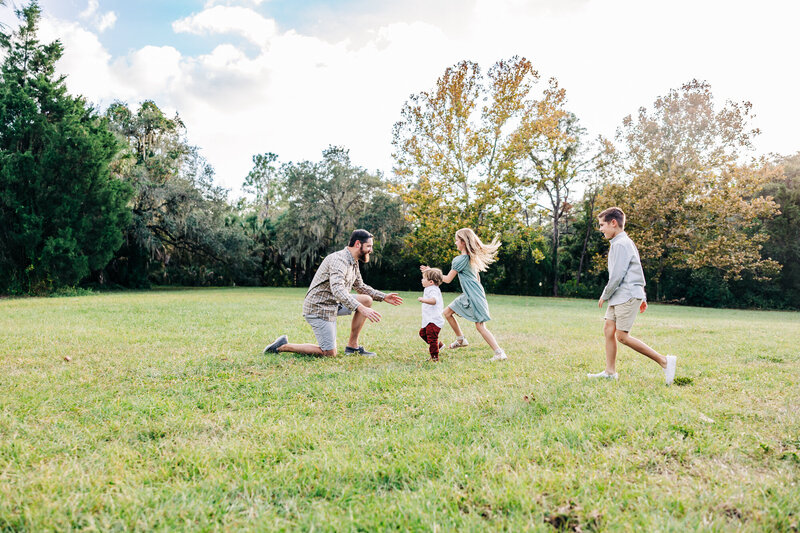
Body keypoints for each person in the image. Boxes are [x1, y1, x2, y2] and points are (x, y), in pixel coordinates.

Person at [263, 229, 403, 357]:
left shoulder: (353, 262)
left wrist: (383, 297)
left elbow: (360, 286)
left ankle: (352, 347)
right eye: (369, 246)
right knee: (329, 353)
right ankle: (282, 346)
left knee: (366, 299)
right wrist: (360, 308)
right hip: (319, 308)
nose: (371, 250)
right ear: (358, 244)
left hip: (333, 304)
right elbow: (338, 290)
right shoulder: (339, 260)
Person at [589, 207, 677, 385]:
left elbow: (617, 275)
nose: (600, 229)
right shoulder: (620, 242)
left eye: (602, 225)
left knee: (622, 336)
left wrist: (604, 295)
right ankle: (610, 372)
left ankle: (665, 361)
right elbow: (636, 270)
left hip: (626, 294)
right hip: (621, 295)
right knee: (608, 329)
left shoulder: (622, 244)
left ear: (613, 223)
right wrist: (642, 295)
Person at [420, 228, 507, 362]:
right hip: (470, 294)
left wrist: (430, 272)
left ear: (463, 242)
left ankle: (499, 353)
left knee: (480, 326)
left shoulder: (460, 260)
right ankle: (461, 340)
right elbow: (477, 278)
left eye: (456, 240)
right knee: (447, 312)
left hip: (473, 295)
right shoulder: (471, 259)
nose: (455, 243)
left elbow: (448, 279)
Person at [418, 267, 445, 362]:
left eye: (424, 278)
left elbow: (434, 300)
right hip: (429, 319)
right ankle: (439, 346)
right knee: (422, 333)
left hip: (434, 320)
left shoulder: (433, 290)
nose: (422, 280)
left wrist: (423, 300)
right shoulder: (429, 288)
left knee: (432, 339)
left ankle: (434, 357)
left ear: (431, 282)